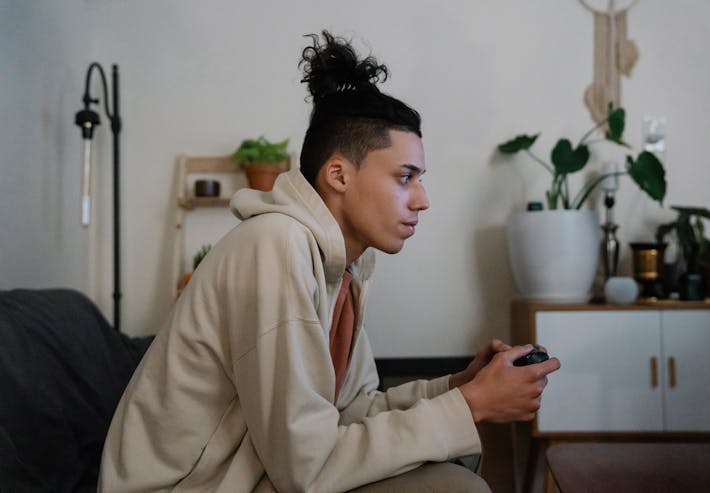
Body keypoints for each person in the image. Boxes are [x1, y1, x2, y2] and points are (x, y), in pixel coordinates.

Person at [98, 31, 561, 493]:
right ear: (338, 174)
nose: (422, 200)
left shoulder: (344, 267)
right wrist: (472, 406)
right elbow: (305, 469)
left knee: (453, 460)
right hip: (191, 486)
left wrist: (459, 388)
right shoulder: (274, 246)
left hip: (254, 470)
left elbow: (348, 410)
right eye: (405, 178)